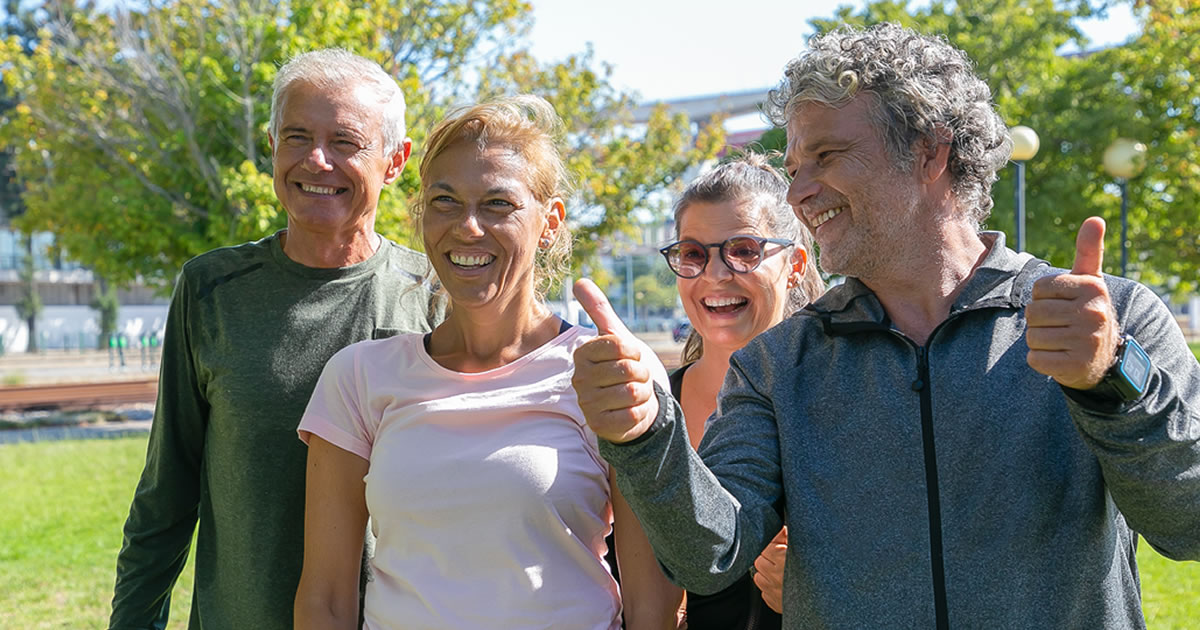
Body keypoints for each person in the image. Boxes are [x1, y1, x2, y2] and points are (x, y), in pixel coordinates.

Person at [571, 23, 1200, 628]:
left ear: (930, 151)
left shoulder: (1109, 318)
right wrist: (643, 435)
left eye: (827, 155)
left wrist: (1113, 378)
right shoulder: (776, 364)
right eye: (794, 167)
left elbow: (1189, 523)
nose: (798, 194)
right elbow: (709, 557)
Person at [293, 95, 682, 630]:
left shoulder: (610, 370)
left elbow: (654, 605)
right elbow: (325, 601)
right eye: (445, 200)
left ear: (549, 223)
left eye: (498, 204)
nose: (468, 227)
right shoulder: (358, 377)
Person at [109, 49, 444, 630]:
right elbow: (166, 494)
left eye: (345, 141)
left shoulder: (436, 295)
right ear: (271, 147)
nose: (317, 161)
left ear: (394, 161)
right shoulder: (211, 289)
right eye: (296, 137)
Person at [662, 154, 823, 628]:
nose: (714, 274)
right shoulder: (647, 411)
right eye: (693, 254)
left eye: (744, 250)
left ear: (794, 263)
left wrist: (820, 588)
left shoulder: (844, 400)